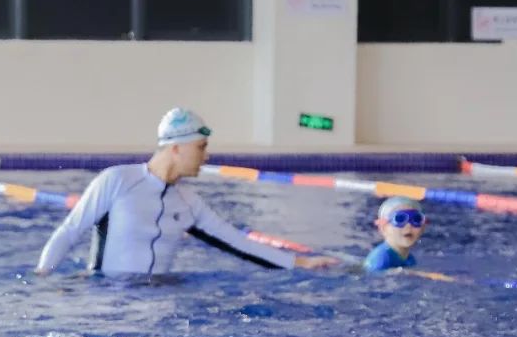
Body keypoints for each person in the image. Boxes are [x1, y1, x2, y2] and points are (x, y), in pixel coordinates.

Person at [34, 107, 333, 276]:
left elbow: (238, 243)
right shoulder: (118, 180)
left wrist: (300, 263)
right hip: (108, 300)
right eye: (201, 147)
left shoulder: (189, 202)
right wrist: (42, 279)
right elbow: (70, 231)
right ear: (176, 148)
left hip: (161, 299)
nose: (206, 156)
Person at [364, 196, 426, 273]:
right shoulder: (381, 258)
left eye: (416, 219)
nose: (409, 225)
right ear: (383, 228)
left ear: (423, 228)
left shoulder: (409, 258)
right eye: (400, 219)